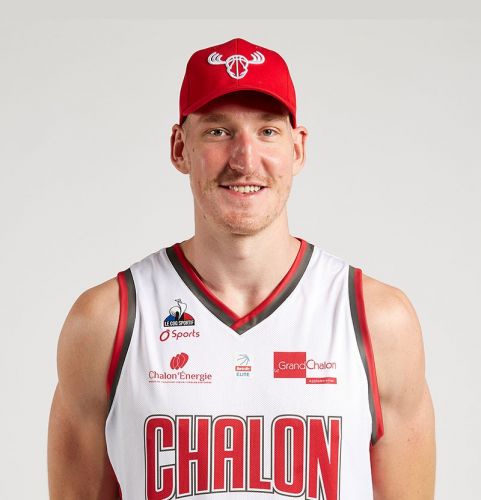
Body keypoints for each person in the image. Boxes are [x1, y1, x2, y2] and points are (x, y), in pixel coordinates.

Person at [47, 38, 436, 499]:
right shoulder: (107, 321)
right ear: (179, 148)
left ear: (298, 149)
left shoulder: (377, 319)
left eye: (267, 131)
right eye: (218, 131)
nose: (245, 159)